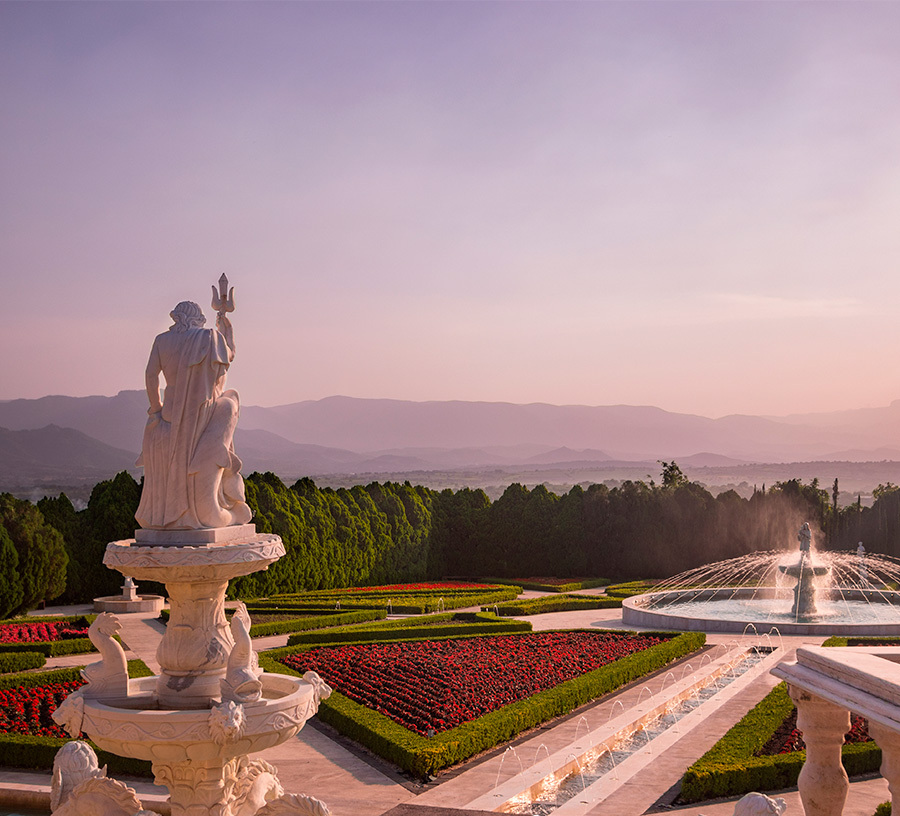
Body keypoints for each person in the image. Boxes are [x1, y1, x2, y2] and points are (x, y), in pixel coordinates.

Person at [135, 300, 252, 530]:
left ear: (176, 318)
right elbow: (228, 357)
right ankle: (215, 506)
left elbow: (150, 376)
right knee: (229, 402)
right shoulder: (209, 337)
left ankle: (181, 514)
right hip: (201, 414)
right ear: (198, 318)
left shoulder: (162, 341)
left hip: (168, 414)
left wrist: (156, 408)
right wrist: (227, 333)